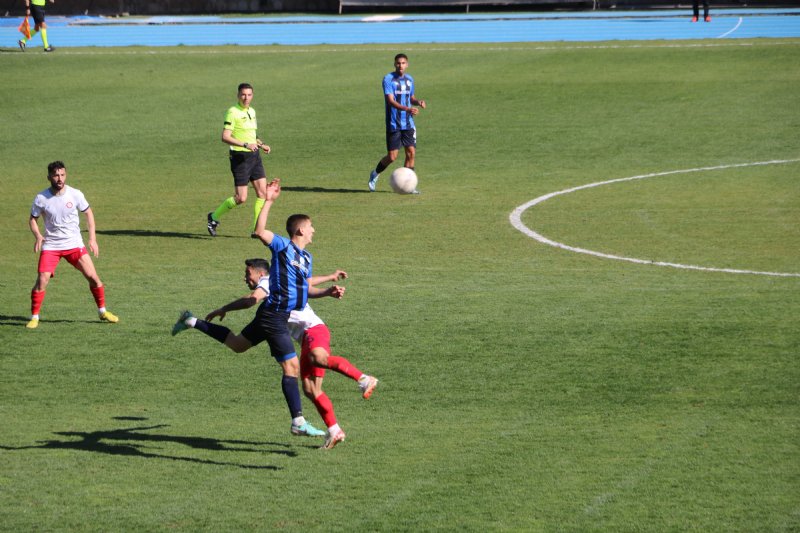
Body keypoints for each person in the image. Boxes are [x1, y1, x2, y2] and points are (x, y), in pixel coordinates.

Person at [174, 179, 343, 438]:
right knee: (292, 368)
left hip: (275, 315)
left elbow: (304, 288)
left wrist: (327, 291)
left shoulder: (307, 259)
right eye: (310, 227)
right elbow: (259, 230)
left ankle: (191, 321)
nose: (314, 231)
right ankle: (298, 421)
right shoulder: (283, 246)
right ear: (299, 231)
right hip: (274, 316)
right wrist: (268, 202)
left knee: (237, 345)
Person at [289, 277, 379, 450]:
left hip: (313, 329)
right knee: (310, 389)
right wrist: (332, 276)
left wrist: (226, 309)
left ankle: (364, 379)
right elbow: (306, 282)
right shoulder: (281, 283)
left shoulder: (273, 283)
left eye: (248, 274)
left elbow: (304, 284)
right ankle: (334, 430)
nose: (246, 278)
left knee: (319, 358)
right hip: (304, 339)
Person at [27, 161, 119, 329]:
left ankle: (103, 311)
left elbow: (88, 213)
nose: (59, 178)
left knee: (94, 278)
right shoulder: (41, 198)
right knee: (42, 280)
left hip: (74, 244)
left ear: (65, 175)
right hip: (52, 246)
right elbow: (33, 219)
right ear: (49, 177)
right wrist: (38, 235)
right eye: (56, 175)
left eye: (62, 175)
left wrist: (92, 239)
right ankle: (34, 317)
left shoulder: (75, 194)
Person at [207, 82, 271, 237]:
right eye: (243, 94)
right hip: (240, 158)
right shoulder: (232, 112)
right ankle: (213, 218)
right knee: (241, 198)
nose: (246, 98)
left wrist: (261, 144)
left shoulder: (252, 111)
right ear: (238, 95)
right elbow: (225, 137)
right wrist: (245, 145)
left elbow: (251, 135)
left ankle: (256, 230)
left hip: (254, 156)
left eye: (249, 95)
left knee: (263, 194)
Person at [368, 53, 426, 194]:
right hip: (394, 123)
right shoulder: (388, 79)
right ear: (394, 64)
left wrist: (418, 102)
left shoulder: (409, 79)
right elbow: (391, 101)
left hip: (408, 123)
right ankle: (375, 174)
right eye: (398, 63)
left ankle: (408, 185)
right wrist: (407, 108)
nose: (401, 65)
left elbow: (410, 97)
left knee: (411, 153)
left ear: (407, 64)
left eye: (403, 63)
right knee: (392, 157)